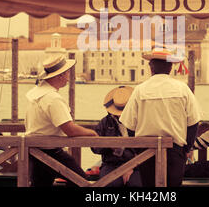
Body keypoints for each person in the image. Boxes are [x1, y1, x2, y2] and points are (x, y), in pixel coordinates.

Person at [120, 48, 201, 187]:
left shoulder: (140, 90)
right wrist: (185, 149)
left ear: (151, 67)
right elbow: (194, 122)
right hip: (175, 151)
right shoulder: (182, 89)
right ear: (170, 67)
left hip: (146, 151)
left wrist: (139, 149)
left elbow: (129, 125)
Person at [25, 54, 98, 187]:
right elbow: (69, 129)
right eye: (67, 73)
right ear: (60, 76)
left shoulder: (36, 93)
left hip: (34, 149)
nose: (69, 77)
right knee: (81, 182)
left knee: (40, 185)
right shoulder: (53, 98)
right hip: (50, 150)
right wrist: (91, 133)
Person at [91, 86, 142, 187]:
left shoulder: (140, 122)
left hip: (137, 164)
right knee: (110, 184)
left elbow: (145, 148)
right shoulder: (105, 122)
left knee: (136, 184)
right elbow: (94, 147)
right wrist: (108, 145)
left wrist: (131, 166)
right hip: (111, 164)